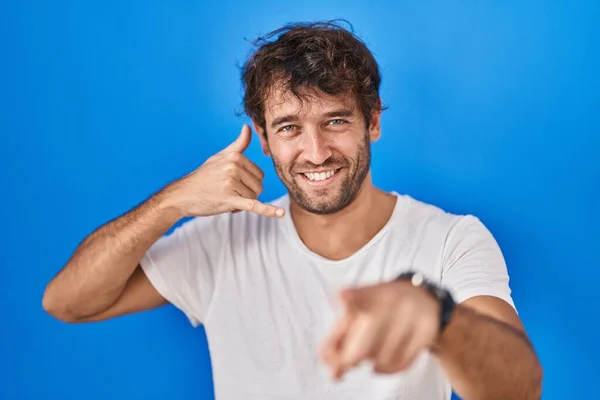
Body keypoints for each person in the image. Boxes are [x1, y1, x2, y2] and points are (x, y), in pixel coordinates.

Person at [42, 20, 543, 400]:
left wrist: (438, 316)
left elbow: (520, 389)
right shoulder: (220, 241)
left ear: (373, 122)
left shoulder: (452, 240)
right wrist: (171, 203)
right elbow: (67, 302)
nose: (317, 151)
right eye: (288, 128)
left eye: (336, 120)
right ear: (261, 138)